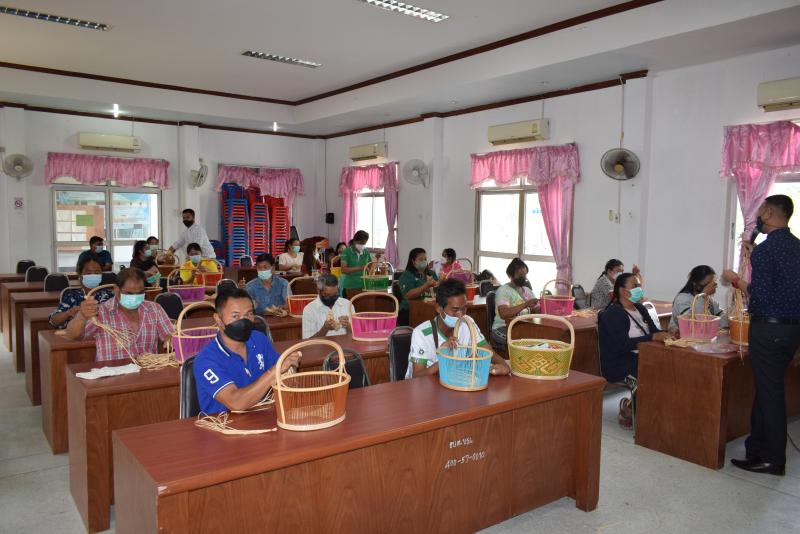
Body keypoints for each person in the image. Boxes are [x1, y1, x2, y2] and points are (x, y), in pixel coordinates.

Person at [722, 194, 800, 476]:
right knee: (768, 390)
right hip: (792, 330)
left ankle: (772, 459)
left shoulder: (767, 251)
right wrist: (755, 254)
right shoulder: (795, 246)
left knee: (771, 394)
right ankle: (756, 449)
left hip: (769, 330)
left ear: (768, 212)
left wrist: (735, 280)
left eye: (761, 210)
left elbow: (762, 296)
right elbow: (784, 285)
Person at [193, 288, 301, 414]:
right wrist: (275, 371)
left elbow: (282, 375)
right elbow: (235, 403)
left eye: (249, 314)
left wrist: (290, 367)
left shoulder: (258, 339)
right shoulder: (205, 360)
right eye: (235, 316)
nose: (244, 321)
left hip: (260, 415)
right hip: (224, 423)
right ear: (218, 319)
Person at [598, 272, 671, 427]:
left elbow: (654, 331)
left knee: (670, 367)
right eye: (635, 286)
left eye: (639, 285)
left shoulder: (640, 308)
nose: (639, 289)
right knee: (654, 371)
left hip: (642, 356)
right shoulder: (613, 314)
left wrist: (667, 334)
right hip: (619, 362)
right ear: (623, 291)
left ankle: (641, 410)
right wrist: (652, 337)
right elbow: (622, 345)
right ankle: (636, 411)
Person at [406, 279, 510, 379]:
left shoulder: (467, 323)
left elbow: (488, 351)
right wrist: (444, 358)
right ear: (439, 308)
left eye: (464, 308)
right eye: (455, 310)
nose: (460, 315)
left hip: (454, 381)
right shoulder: (421, 334)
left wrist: (504, 365)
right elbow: (417, 376)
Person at [64, 268, 174, 361]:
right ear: (116, 290)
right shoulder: (101, 312)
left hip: (147, 372)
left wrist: (172, 339)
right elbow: (73, 336)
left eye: (140, 293)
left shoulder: (154, 309)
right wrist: (82, 316)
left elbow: (170, 335)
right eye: (129, 293)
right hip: (112, 375)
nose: (135, 297)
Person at [48, 255, 114, 329]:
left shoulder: (110, 295)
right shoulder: (72, 296)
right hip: (76, 335)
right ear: (80, 275)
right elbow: (53, 321)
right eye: (88, 273)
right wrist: (68, 313)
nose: (93, 275)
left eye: (97, 272)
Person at [490, 258, 539, 346]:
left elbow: (537, 310)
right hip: (502, 328)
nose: (524, 278)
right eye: (520, 275)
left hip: (522, 327)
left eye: (525, 275)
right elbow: (504, 313)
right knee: (525, 343)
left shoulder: (527, 290)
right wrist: (525, 304)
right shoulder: (503, 291)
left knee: (540, 336)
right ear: (510, 275)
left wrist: (541, 305)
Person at [668, 265, 727, 333]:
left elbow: (722, 320)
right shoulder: (683, 299)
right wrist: (704, 294)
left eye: (712, 283)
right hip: (685, 336)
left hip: (704, 336)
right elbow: (692, 324)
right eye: (708, 283)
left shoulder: (708, 299)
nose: (711, 286)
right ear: (695, 283)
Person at [397, 248, 439, 326]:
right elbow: (408, 295)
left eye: (425, 259)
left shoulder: (431, 273)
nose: (424, 261)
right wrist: (426, 285)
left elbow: (437, 290)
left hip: (431, 308)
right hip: (410, 311)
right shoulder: (407, 275)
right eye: (420, 259)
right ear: (413, 261)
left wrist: (441, 282)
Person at [302, 274, 351, 339]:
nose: (332, 298)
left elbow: (356, 335)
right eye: (327, 295)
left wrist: (348, 326)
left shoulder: (347, 304)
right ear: (318, 291)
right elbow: (307, 342)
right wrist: (324, 329)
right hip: (322, 345)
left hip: (344, 345)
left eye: (335, 294)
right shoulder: (309, 310)